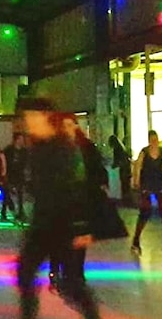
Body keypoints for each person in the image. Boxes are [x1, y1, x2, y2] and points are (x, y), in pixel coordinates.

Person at [15, 98, 101, 319]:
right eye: (26, 117)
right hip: (42, 224)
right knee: (24, 273)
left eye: (32, 116)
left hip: (65, 224)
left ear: (45, 116)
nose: (28, 121)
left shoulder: (64, 148)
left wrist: (82, 227)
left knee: (72, 283)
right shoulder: (36, 148)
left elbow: (77, 188)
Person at [49, 115, 110, 293]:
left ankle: (77, 272)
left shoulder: (87, 147)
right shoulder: (55, 149)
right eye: (65, 125)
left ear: (76, 126)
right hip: (61, 199)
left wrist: (102, 183)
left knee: (81, 238)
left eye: (71, 124)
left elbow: (98, 167)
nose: (68, 128)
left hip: (82, 200)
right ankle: (56, 269)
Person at [130, 130, 162, 256]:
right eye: (152, 140)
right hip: (146, 183)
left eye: (156, 139)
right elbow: (137, 166)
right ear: (149, 141)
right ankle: (136, 240)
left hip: (159, 183)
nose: (154, 142)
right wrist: (136, 182)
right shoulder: (144, 152)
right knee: (145, 212)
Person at [4, 133, 29, 220]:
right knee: (7, 193)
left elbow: (26, 163)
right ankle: (6, 211)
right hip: (10, 174)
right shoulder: (8, 150)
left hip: (19, 175)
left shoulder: (24, 151)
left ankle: (20, 212)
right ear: (16, 140)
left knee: (20, 194)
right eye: (20, 139)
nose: (22, 141)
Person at [108, 135, 133, 205]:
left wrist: (112, 166)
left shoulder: (117, 149)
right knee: (126, 186)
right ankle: (128, 202)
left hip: (124, 171)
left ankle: (126, 202)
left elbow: (117, 161)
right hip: (127, 170)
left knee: (124, 186)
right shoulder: (121, 148)